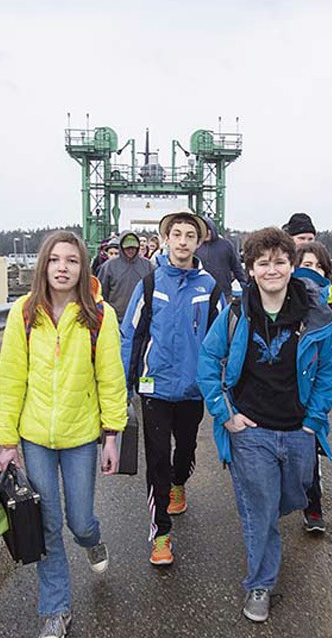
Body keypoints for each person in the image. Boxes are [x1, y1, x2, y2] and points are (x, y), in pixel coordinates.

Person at [197, 227, 332, 623]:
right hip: (251, 430)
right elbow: (209, 362)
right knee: (260, 509)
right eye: (263, 263)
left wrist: (314, 420)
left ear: (292, 266)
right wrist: (226, 414)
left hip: (299, 431)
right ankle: (260, 582)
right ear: (251, 270)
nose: (272, 269)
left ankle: (262, 526)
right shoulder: (237, 313)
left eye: (280, 261)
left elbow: (330, 371)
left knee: (294, 496)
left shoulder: (316, 318)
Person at [0, 230, 128, 638]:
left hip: (80, 434)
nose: (63, 268)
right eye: (55, 260)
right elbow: (11, 377)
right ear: (44, 265)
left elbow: (111, 378)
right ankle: (55, 609)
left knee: (80, 520)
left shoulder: (99, 317)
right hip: (35, 435)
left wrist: (112, 434)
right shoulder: (24, 313)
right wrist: (6, 440)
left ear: (82, 266)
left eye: (71, 260)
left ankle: (93, 540)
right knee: (48, 523)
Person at [120, 210, 224, 565]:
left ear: (198, 242)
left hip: (193, 390)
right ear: (166, 239)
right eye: (176, 234)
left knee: (185, 451)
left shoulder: (210, 288)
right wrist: (124, 384)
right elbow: (130, 334)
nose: (182, 241)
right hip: (155, 388)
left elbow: (223, 339)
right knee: (158, 460)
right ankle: (161, 534)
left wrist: (223, 385)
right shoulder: (149, 284)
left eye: (189, 236)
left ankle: (181, 481)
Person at [292, 241, 332, 533]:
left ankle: (313, 508)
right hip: (285, 391)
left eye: (319, 267)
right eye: (306, 265)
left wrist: (330, 361)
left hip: (313, 385)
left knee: (309, 446)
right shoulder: (279, 300)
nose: (312, 272)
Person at [98, 230, 154, 316]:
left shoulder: (148, 266)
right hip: (115, 318)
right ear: (121, 247)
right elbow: (101, 294)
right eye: (127, 248)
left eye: (133, 247)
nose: (131, 250)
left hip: (140, 318)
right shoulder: (108, 266)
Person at [196, 216, 247, 302]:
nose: (206, 232)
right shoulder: (195, 246)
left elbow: (236, 266)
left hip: (224, 294)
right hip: (201, 294)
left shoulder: (226, 245)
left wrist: (244, 285)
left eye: (208, 229)